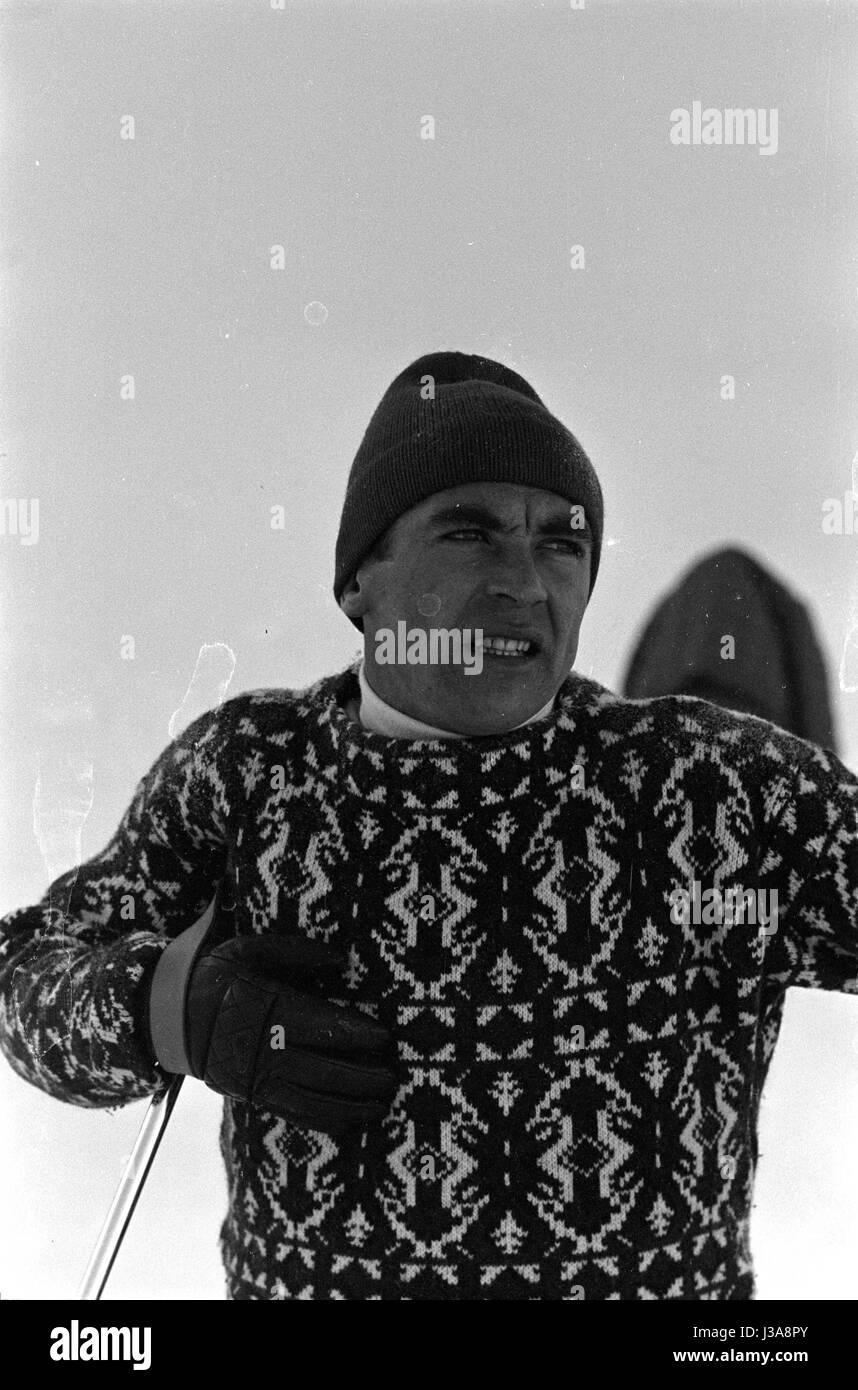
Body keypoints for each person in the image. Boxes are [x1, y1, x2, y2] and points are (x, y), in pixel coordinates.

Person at [0, 351, 855, 1301]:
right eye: (470, 533)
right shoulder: (250, 769)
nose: (524, 583)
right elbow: (25, 975)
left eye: (563, 544)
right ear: (361, 578)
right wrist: (170, 1008)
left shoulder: (712, 787)